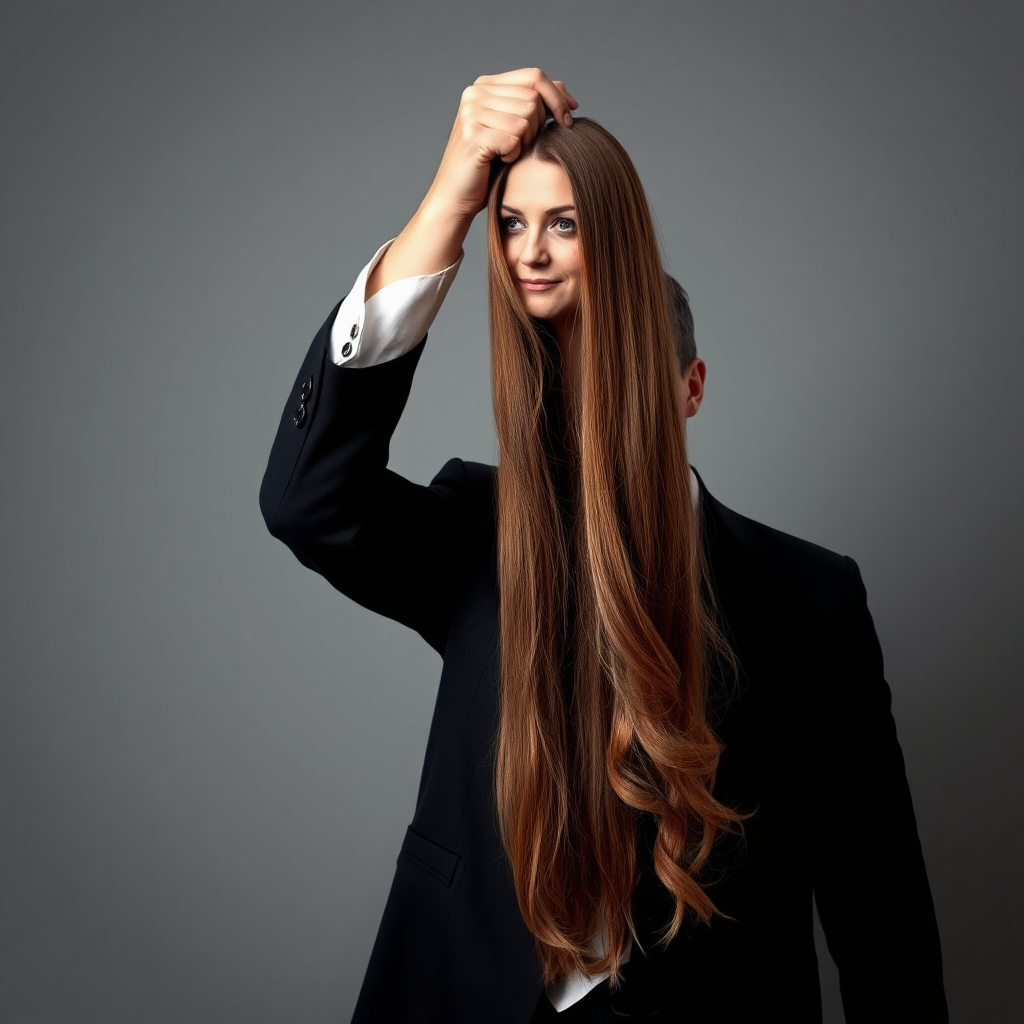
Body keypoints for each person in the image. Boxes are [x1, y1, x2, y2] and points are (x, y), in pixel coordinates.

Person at [259, 69, 947, 1023]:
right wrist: (459, 190)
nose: (590, 398)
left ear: (692, 386)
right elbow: (308, 501)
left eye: (618, 368)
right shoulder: (476, 530)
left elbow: (883, 918)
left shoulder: (809, 597)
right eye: (519, 228)